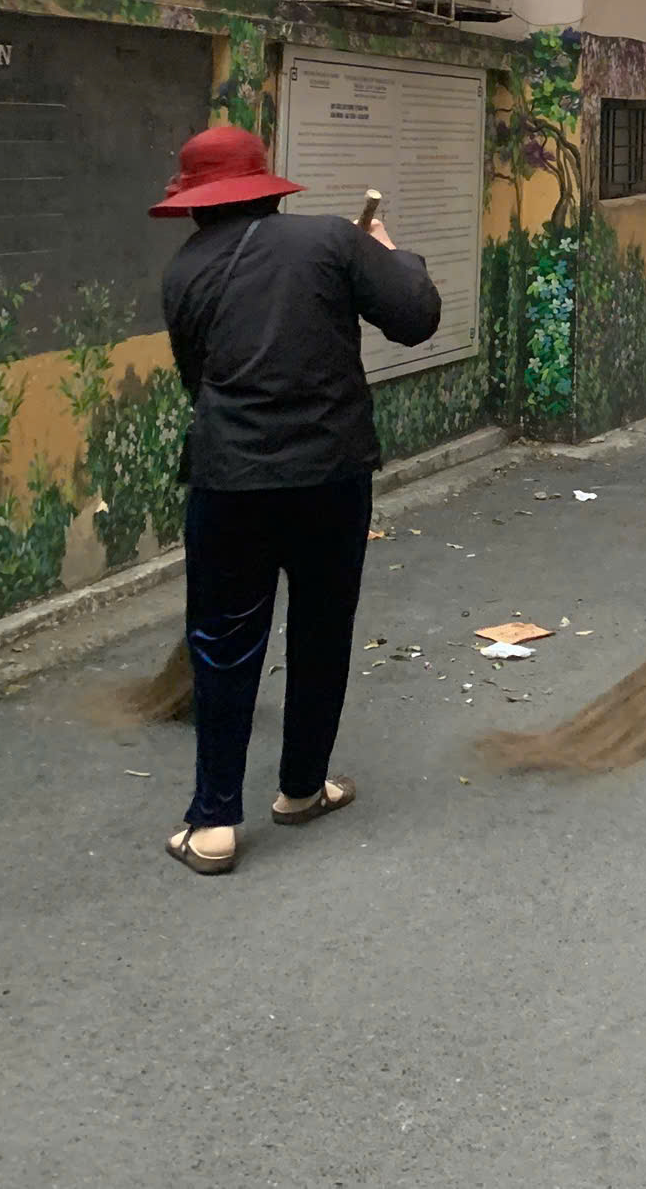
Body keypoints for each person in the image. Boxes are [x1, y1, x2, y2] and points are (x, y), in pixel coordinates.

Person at [152, 126, 441, 875]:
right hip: (331, 476)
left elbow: (200, 381)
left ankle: (213, 822)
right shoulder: (331, 242)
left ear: (195, 206)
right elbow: (416, 317)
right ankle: (302, 788)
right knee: (321, 628)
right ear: (264, 187)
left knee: (221, 641)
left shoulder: (182, 274)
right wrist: (387, 249)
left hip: (230, 481)